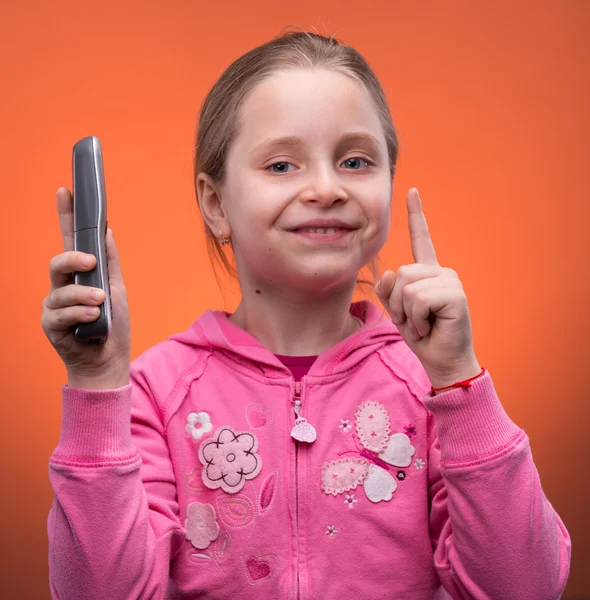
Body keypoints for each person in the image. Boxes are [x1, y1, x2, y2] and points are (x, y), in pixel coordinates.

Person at [42, 30, 571, 600]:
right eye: (282, 165)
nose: (326, 188)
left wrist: (462, 382)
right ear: (216, 204)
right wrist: (96, 387)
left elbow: (526, 587)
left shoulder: (434, 386)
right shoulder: (156, 391)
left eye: (354, 160)